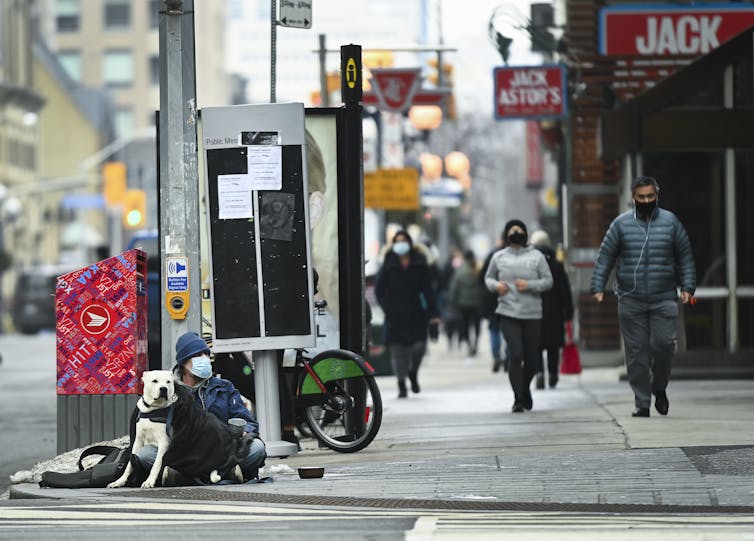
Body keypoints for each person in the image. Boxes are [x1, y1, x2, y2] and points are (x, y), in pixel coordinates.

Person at [591, 175, 695, 418]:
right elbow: (605, 256)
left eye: (650, 196)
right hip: (631, 298)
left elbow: (685, 257)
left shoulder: (671, 222)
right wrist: (598, 286)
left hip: (664, 297)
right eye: (641, 197)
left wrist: (687, 287)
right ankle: (642, 401)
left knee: (664, 345)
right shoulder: (621, 224)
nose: (646, 200)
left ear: (657, 196)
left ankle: (659, 386)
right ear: (633, 198)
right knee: (637, 353)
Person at [136, 332, 267, 481]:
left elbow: (248, 422)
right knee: (145, 454)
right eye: (198, 355)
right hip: (183, 454)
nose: (204, 359)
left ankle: (185, 476)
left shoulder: (224, 387)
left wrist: (241, 431)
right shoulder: (166, 390)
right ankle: (221, 473)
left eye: (206, 354)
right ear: (184, 363)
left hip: (221, 451)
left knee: (257, 448)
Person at [485, 220, 553, 413]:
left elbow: (548, 281)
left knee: (531, 358)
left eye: (519, 230)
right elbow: (488, 278)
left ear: (525, 234)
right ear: (506, 235)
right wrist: (496, 286)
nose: (516, 233)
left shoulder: (537, 256)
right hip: (508, 312)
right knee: (515, 354)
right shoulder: (498, 257)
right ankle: (518, 398)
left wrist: (530, 285)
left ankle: (525, 390)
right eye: (512, 231)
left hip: (532, 314)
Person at [376, 229, 441, 398]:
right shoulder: (388, 263)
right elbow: (379, 290)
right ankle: (401, 384)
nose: (400, 244)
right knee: (398, 352)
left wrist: (434, 313)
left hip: (416, 313)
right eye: (397, 241)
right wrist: (387, 307)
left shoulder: (420, 263)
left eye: (403, 240)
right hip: (395, 314)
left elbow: (428, 290)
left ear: (410, 243)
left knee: (419, 347)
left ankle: (413, 372)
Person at [530, 230, 574, 389]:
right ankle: (553, 374)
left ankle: (539, 373)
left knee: (536, 344)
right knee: (553, 345)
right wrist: (568, 311)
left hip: (534, 310)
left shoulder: (530, 263)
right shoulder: (556, 263)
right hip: (555, 312)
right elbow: (565, 289)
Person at [448, 249, 484, 357]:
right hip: (477, 303)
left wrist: (453, 302)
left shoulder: (460, 270)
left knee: (466, 324)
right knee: (477, 325)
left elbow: (454, 288)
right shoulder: (478, 269)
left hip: (463, 304)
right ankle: (476, 342)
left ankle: (469, 344)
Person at [479, 239, 508, 372]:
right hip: (508, 297)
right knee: (508, 329)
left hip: (492, 299)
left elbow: (482, 278)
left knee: (494, 329)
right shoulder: (512, 257)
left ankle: (496, 356)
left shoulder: (492, 255)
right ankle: (508, 357)